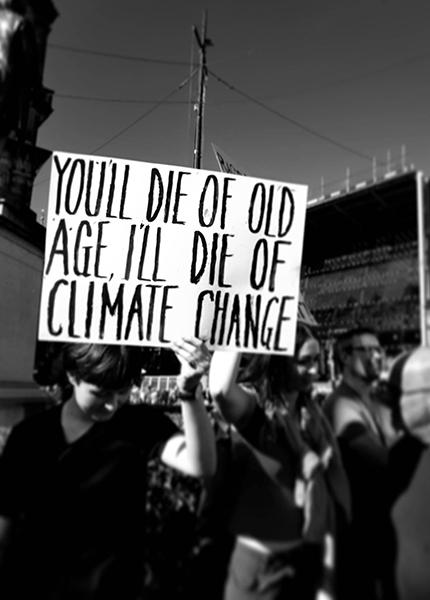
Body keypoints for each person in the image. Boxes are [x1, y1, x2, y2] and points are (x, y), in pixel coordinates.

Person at [0, 336, 216, 600]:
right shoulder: (30, 438)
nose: (113, 404)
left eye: (122, 391)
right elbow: (5, 525)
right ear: (72, 375)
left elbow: (201, 464)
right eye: (100, 393)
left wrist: (188, 390)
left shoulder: (139, 425)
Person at [208, 324, 350, 600]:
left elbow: (329, 500)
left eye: (317, 360)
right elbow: (221, 390)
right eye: (305, 362)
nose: (315, 370)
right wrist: (242, 315)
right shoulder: (256, 412)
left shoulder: (312, 416)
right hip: (259, 572)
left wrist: (327, 579)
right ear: (281, 362)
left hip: (306, 563)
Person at [323, 327, 426, 600]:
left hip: (384, 536)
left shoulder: (377, 400)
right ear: (344, 357)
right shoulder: (339, 405)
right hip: (360, 542)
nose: (377, 356)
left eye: (378, 349)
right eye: (367, 350)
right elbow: (384, 462)